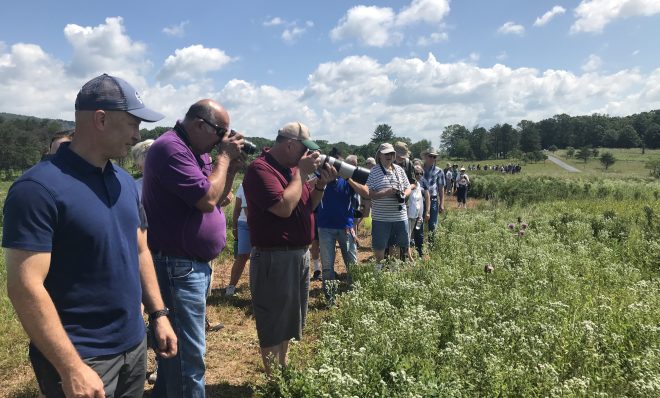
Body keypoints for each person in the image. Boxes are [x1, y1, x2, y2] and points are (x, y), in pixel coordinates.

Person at [2, 73, 177, 398]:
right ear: (101, 119)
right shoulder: (37, 189)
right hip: (81, 355)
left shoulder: (124, 181)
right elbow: (25, 287)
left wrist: (158, 314)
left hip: (133, 345)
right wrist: (70, 367)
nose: (138, 134)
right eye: (133, 124)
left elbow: (140, 250)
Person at [142, 99, 244, 397]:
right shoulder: (171, 149)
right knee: (188, 357)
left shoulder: (193, 150)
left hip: (186, 264)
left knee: (176, 355)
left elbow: (218, 195)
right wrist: (223, 158)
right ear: (200, 125)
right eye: (220, 132)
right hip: (177, 265)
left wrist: (231, 168)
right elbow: (206, 200)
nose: (222, 139)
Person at [243, 122, 336, 374]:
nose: (309, 156)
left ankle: (283, 369)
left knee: (290, 319)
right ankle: (274, 378)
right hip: (274, 256)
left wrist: (320, 185)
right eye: (304, 150)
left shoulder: (292, 170)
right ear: (290, 145)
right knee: (273, 319)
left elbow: (308, 205)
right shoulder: (260, 169)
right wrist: (301, 175)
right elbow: (283, 208)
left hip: (298, 254)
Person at [316, 152, 368, 304]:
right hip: (325, 227)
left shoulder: (347, 180)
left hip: (345, 227)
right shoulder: (320, 179)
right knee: (327, 266)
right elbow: (309, 186)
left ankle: (355, 296)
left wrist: (347, 177)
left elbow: (366, 192)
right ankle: (330, 299)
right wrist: (323, 178)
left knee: (352, 263)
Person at [366, 143, 411, 263]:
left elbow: (408, 187)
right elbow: (368, 193)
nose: (389, 156)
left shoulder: (399, 170)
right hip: (381, 218)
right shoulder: (374, 171)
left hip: (400, 217)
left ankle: (393, 272)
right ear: (379, 155)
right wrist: (387, 192)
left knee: (395, 247)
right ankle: (378, 272)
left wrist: (403, 194)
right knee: (379, 247)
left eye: (391, 153)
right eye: (386, 153)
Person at [225, 181, 251, 297]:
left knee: (259, 257)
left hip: (260, 224)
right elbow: (237, 209)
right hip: (244, 224)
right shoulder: (244, 185)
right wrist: (235, 228)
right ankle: (231, 287)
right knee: (242, 256)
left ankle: (256, 285)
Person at [421, 147, 446, 245]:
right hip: (420, 200)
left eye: (434, 157)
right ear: (426, 156)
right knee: (419, 223)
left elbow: (441, 188)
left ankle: (432, 246)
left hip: (433, 200)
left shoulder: (439, 171)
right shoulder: (419, 169)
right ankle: (419, 246)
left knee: (433, 224)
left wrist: (442, 204)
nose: (432, 158)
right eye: (430, 156)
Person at [408, 165, 430, 257]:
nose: (419, 175)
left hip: (419, 212)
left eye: (421, 173)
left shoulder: (423, 182)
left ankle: (419, 253)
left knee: (419, 232)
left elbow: (427, 197)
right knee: (408, 234)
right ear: (413, 174)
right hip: (409, 212)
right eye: (417, 173)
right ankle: (406, 254)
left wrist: (427, 211)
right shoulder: (409, 182)